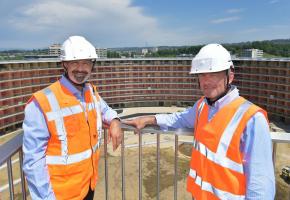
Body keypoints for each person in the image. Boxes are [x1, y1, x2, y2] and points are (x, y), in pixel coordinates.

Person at [125, 44, 275, 199]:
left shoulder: (252, 119)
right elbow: (180, 118)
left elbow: (260, 186)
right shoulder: (202, 106)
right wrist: (149, 119)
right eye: (202, 74)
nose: (206, 81)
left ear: (230, 76)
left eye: (214, 74)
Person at [22, 35, 123, 200]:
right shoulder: (42, 102)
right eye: (75, 63)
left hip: (87, 186)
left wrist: (115, 121)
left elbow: (105, 109)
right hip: (60, 194)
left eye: (86, 63)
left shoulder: (90, 91)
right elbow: (33, 161)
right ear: (64, 64)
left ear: (92, 66)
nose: (81, 69)